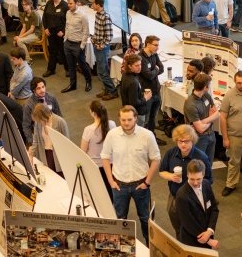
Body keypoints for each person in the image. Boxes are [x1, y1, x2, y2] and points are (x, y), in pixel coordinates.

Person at [101, 105, 161, 244]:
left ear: (136, 118)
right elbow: (104, 157)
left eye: (129, 119)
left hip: (141, 185)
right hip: (119, 185)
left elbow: (156, 158)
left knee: (146, 218)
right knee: (120, 219)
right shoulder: (112, 135)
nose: (126, 123)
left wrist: (147, 182)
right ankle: (121, 247)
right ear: (119, 119)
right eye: (123, 120)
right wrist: (110, 181)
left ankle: (150, 246)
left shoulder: (147, 135)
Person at [159, 125, 213, 234]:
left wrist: (196, 183)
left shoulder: (201, 157)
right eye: (180, 141)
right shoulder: (171, 153)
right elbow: (161, 171)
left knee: (195, 230)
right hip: (175, 198)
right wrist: (170, 176)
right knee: (178, 228)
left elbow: (209, 179)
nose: (183, 144)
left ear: (192, 140)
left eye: (186, 141)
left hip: (194, 200)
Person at [174, 159, 220, 249]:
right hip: (192, 240)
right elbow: (187, 222)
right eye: (192, 179)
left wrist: (210, 231)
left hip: (207, 234)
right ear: (187, 175)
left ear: (203, 175)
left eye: (198, 179)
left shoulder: (206, 184)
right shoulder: (181, 195)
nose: (195, 183)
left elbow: (214, 208)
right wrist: (208, 240)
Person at [80, 100, 117, 198]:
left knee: (99, 195)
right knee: (112, 191)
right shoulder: (112, 124)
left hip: (96, 167)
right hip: (111, 165)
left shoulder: (88, 130)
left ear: (93, 113)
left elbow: (82, 151)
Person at [184, 73, 220, 162]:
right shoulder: (190, 104)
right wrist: (211, 118)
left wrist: (204, 121)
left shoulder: (206, 95)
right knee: (198, 165)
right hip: (198, 139)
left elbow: (216, 113)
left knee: (209, 163)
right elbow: (200, 129)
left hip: (211, 134)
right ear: (205, 87)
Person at [62, 0, 93, 93]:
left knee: (82, 65)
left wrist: (82, 46)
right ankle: (73, 84)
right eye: (68, 3)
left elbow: (86, 32)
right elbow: (67, 27)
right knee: (71, 66)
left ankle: (89, 82)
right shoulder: (67, 13)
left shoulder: (82, 15)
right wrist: (65, 39)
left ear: (77, 3)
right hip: (68, 43)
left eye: (71, 3)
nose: (69, 5)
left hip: (77, 45)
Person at [29, 103, 69, 172]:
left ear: (44, 115)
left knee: (61, 177)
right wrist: (31, 155)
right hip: (46, 154)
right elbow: (35, 140)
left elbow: (67, 142)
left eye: (40, 119)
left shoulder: (60, 122)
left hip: (58, 156)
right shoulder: (38, 123)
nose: (39, 122)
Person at [92, 0, 118, 100]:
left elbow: (109, 36)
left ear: (98, 5)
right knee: (102, 70)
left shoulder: (106, 17)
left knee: (102, 72)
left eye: (94, 3)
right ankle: (107, 90)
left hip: (102, 48)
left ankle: (113, 91)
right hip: (96, 45)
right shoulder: (97, 15)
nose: (92, 5)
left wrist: (101, 45)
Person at [23, 77, 63, 142]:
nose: (42, 90)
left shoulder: (51, 98)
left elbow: (59, 114)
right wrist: (31, 142)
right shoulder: (28, 105)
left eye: (43, 87)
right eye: (38, 88)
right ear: (33, 90)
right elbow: (26, 126)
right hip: (40, 135)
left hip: (54, 131)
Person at [138, 35, 165, 133]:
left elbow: (162, 68)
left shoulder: (154, 54)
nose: (158, 48)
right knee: (146, 118)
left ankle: (152, 136)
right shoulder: (140, 58)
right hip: (147, 94)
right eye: (155, 45)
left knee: (153, 117)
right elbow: (148, 75)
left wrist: (154, 71)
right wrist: (156, 70)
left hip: (156, 91)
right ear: (148, 44)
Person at [120, 54, 152, 126]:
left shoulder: (125, 74)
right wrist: (145, 98)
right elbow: (134, 103)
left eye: (140, 64)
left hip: (128, 110)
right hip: (137, 113)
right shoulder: (133, 82)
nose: (140, 67)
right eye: (136, 65)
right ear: (129, 66)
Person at [42, 0, 67, 77]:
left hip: (60, 33)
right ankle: (51, 69)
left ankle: (67, 69)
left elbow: (68, 21)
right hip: (50, 32)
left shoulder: (65, 5)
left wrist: (63, 31)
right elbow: (44, 17)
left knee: (63, 51)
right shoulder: (49, 3)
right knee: (52, 51)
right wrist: (45, 28)